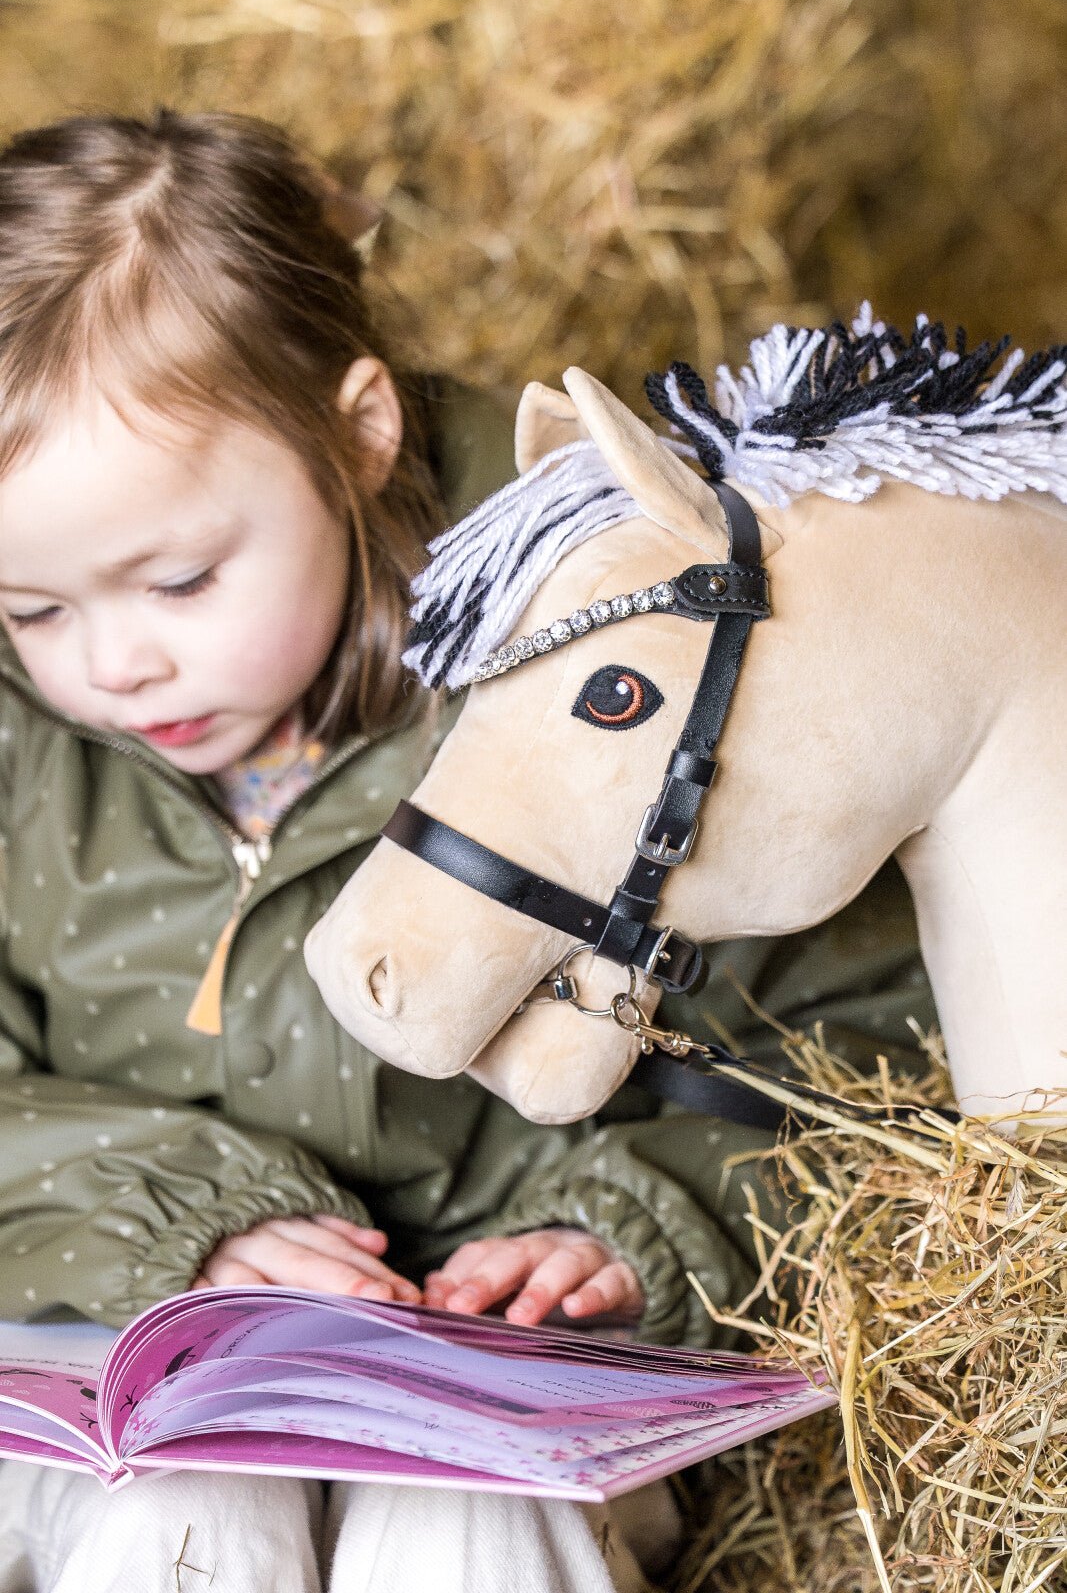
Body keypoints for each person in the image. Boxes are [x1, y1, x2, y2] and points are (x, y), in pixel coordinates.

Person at [0, 108, 937, 1592]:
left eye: (177, 579)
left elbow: (876, 1059)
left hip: (508, 1407)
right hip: (111, 1375)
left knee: (463, 1531)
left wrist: (638, 1233)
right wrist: (174, 1219)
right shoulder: (16, 747)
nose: (109, 666)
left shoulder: (620, 673)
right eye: (31, 609)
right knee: (177, 1525)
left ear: (358, 433)